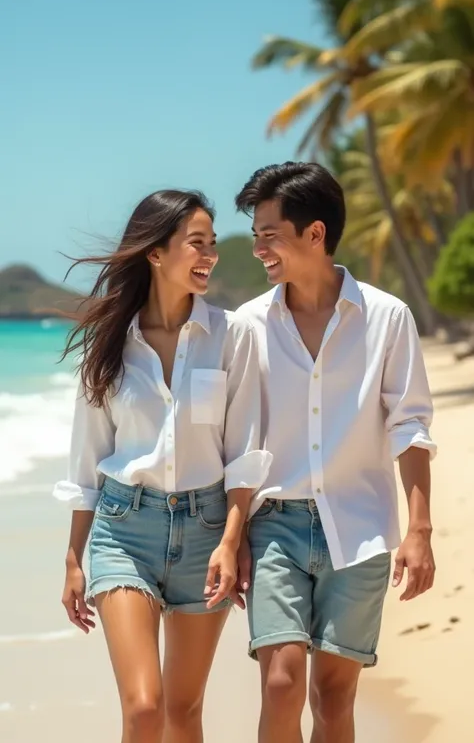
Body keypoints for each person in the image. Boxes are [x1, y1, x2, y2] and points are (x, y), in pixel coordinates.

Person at [54, 189, 271, 743]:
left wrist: (231, 540)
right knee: (145, 709)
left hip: (206, 532)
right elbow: (87, 462)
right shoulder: (107, 344)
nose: (210, 256)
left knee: (183, 710)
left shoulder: (233, 334)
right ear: (155, 253)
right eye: (196, 243)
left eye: (213, 245)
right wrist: (74, 559)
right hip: (124, 530)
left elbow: (244, 452)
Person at [234, 162, 437, 743]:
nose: (258, 250)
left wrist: (420, 530)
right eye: (255, 236)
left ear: (315, 233)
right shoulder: (249, 324)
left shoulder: (387, 317)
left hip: (361, 525)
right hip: (274, 525)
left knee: (334, 695)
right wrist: (232, 536)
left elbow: (410, 425)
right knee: (280, 684)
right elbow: (242, 440)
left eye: (268, 234)